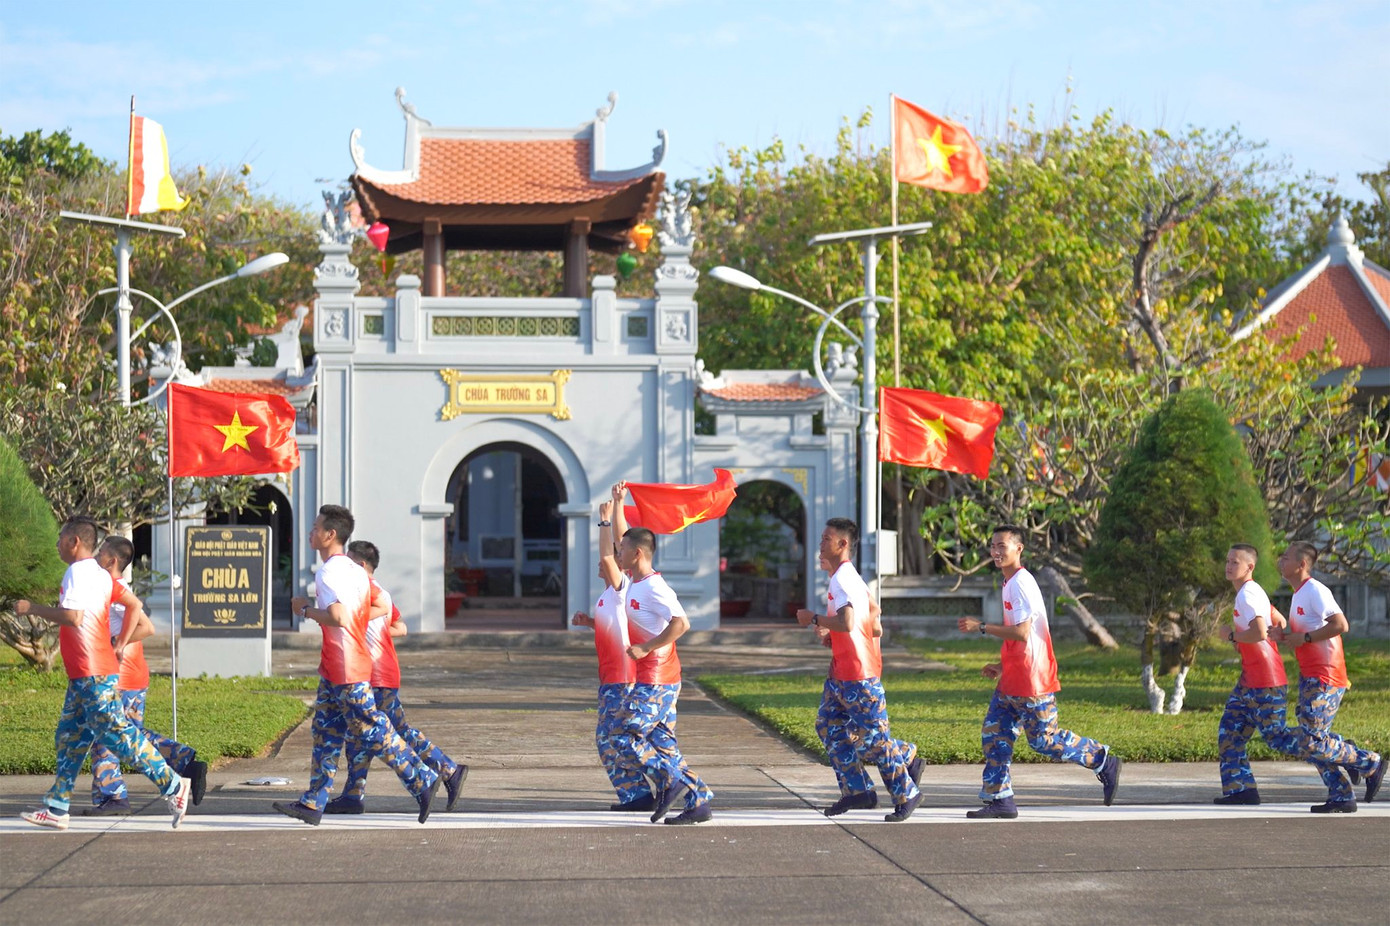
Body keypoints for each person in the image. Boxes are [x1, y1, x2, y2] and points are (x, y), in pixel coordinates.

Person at [15, 516, 191, 830]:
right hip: (87, 673)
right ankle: (57, 807)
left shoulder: (77, 572)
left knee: (118, 735)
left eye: (60, 539)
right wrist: (120, 643)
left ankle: (174, 786)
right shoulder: (100, 575)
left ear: (74, 542)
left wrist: (33, 608)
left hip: (93, 672)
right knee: (69, 737)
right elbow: (134, 604)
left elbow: (73, 616)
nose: (57, 545)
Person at [273, 505, 440, 825]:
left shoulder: (329, 572)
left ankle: (422, 778)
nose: (311, 531)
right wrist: (358, 621)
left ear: (330, 535)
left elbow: (338, 617)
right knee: (325, 731)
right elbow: (383, 603)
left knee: (372, 729)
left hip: (347, 667)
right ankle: (313, 801)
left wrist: (305, 610)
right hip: (336, 667)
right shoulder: (354, 571)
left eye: (316, 527)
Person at [957, 525, 1122, 819]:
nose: (996, 551)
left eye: (1002, 546)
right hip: (1013, 677)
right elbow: (1023, 637)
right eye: (993, 545)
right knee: (995, 736)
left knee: (1044, 740)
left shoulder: (1021, 582)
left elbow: (1021, 632)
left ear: (1018, 549)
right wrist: (1002, 665)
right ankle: (1001, 800)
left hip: (1033, 680)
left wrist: (980, 626)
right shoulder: (1009, 582)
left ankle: (1101, 758)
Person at [322, 540, 468, 814]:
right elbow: (399, 626)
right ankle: (353, 796)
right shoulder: (369, 592)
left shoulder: (368, 591)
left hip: (375, 673)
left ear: (361, 566)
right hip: (378, 671)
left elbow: (396, 626)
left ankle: (447, 770)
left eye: (350, 562)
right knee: (360, 736)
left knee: (390, 732)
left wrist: (359, 625)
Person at [797, 518, 923, 822]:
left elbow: (849, 623)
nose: (821, 544)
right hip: (841, 674)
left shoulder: (843, 579)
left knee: (876, 739)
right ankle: (859, 791)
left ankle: (908, 792)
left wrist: (814, 619)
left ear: (843, 545)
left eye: (827, 539)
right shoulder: (848, 578)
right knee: (828, 726)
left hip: (858, 674)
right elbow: (874, 626)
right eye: (822, 538)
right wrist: (833, 636)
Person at [83, 536, 208, 816]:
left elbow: (147, 627)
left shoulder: (115, 589)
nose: (96, 555)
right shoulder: (112, 587)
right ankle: (184, 761)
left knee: (107, 735)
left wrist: (115, 643)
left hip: (122, 676)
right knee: (130, 735)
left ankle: (113, 797)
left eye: (101, 552)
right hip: (132, 674)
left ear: (112, 561)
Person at [612, 509, 714, 825]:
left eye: (622, 550)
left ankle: (672, 781)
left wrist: (646, 646)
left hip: (657, 678)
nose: (617, 553)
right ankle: (700, 801)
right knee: (664, 746)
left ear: (637, 554)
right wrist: (618, 506)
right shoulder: (633, 580)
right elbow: (623, 537)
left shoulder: (655, 587)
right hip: (658, 678)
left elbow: (681, 623)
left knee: (623, 735)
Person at [1270, 541, 1384, 811]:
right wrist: (1284, 637)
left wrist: (1305, 637)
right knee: (1312, 741)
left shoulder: (1315, 590)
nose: (1280, 561)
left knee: (1312, 741)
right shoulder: (1298, 593)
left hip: (1326, 675)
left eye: (1286, 558)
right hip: (1310, 675)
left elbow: (1340, 625)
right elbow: (1304, 636)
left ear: (1302, 564)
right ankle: (1341, 795)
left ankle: (1369, 762)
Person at [570, 489, 652, 810]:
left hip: (623, 678)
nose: (602, 564)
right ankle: (637, 796)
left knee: (615, 740)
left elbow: (612, 551)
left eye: (615, 560)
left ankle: (670, 775)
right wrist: (590, 622)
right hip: (609, 680)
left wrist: (605, 519)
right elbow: (615, 628)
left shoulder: (623, 589)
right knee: (608, 742)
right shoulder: (609, 597)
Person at [1213, 543, 1302, 805]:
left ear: (1249, 567)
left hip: (1265, 680)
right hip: (1250, 680)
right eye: (1228, 561)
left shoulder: (1247, 595)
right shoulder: (1253, 592)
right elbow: (1281, 621)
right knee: (1229, 733)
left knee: (1278, 739)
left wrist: (1231, 635)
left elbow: (1261, 632)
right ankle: (1241, 791)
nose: (1229, 566)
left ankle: (1334, 750)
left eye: (1235, 562)